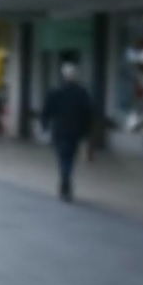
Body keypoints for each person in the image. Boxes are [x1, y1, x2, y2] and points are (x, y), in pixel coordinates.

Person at [41, 63, 94, 202]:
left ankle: (65, 180)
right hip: (75, 131)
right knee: (70, 157)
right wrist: (86, 131)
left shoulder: (55, 91)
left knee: (63, 157)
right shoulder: (82, 92)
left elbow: (46, 111)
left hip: (59, 130)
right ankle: (66, 181)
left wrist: (44, 126)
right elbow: (88, 113)